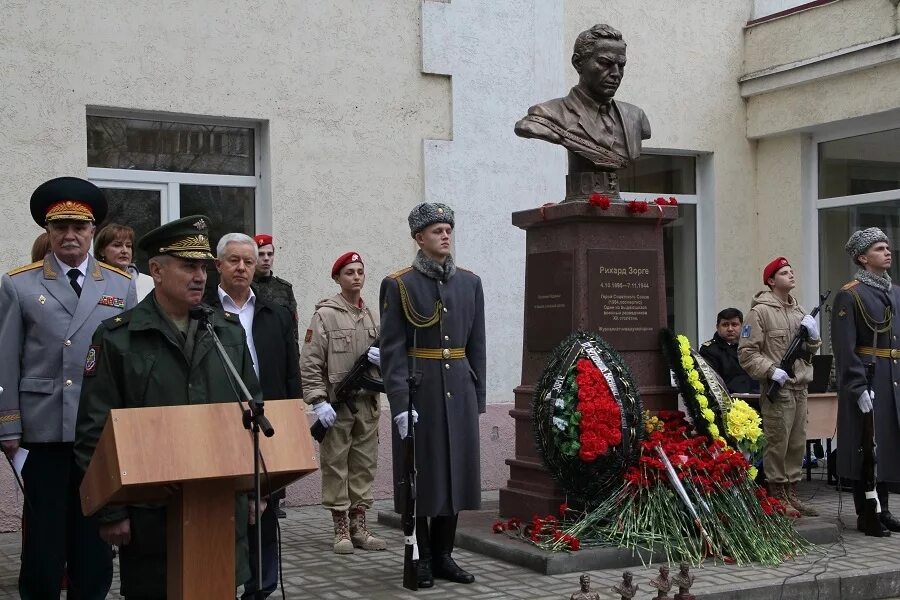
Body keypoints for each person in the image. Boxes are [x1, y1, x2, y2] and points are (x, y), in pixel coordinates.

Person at [73, 215, 259, 599]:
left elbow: (251, 412)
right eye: (188, 266)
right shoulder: (119, 338)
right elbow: (95, 431)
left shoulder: (225, 331)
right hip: (151, 517)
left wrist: (258, 490)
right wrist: (112, 512)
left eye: (204, 267)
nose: (200, 276)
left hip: (220, 509)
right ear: (156, 270)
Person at [0, 176, 137, 598]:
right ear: (48, 231)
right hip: (43, 430)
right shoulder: (18, 284)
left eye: (79, 227)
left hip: (97, 431)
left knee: (93, 543)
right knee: (43, 545)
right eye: (60, 227)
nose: (70, 235)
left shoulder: (119, 284)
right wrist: (8, 425)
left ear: (93, 231)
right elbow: (6, 358)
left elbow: (128, 360)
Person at [379, 203, 486, 587]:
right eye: (437, 230)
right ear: (419, 238)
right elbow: (391, 350)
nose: (445, 235)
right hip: (418, 391)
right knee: (421, 476)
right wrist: (399, 404)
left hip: (459, 387)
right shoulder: (399, 284)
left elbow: (477, 344)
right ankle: (419, 557)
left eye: (448, 229)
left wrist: (479, 396)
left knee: (456, 475)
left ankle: (444, 555)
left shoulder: (470, 282)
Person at [208, 232, 300, 597]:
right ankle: (220, 581)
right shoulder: (204, 314)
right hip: (220, 422)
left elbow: (291, 372)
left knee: (264, 510)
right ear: (218, 266)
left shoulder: (274, 314)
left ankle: (261, 587)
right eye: (234, 260)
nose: (243, 267)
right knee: (226, 510)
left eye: (248, 260)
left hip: (267, 423)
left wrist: (294, 420)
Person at [300, 251, 385, 554]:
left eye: (360, 271)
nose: (356, 276)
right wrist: (318, 401)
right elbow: (310, 363)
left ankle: (359, 526)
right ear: (337, 278)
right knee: (336, 465)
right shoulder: (325, 315)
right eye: (349, 272)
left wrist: (384, 361)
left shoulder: (372, 315)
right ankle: (340, 529)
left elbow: (389, 362)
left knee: (363, 466)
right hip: (337, 406)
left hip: (368, 405)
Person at [738, 257, 821, 518]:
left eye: (792, 271)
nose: (791, 275)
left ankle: (792, 494)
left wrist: (815, 337)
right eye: (784, 272)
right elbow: (747, 353)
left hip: (800, 387)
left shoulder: (799, 312)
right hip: (778, 388)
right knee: (778, 442)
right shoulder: (759, 312)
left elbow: (808, 351)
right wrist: (772, 370)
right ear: (771, 280)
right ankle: (776, 496)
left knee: (797, 443)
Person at [832, 227, 900, 536]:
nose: (887, 252)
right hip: (868, 376)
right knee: (865, 445)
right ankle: (866, 513)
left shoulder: (895, 291)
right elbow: (845, 348)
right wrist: (857, 385)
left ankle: (884, 510)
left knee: (885, 444)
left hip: (892, 378)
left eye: (887, 247)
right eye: (879, 248)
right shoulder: (851, 294)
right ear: (862, 257)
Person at [515, 24, 650, 175]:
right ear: (578, 63)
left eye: (621, 65)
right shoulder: (546, 114)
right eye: (605, 63)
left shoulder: (635, 116)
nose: (616, 73)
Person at [699, 308, 759, 394]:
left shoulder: (750, 347)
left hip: (756, 398)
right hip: (729, 400)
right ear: (717, 327)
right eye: (725, 325)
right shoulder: (709, 350)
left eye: (734, 325)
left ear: (742, 326)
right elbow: (713, 383)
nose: (730, 329)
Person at [253, 233, 299, 343]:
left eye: (270, 254)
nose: (266, 258)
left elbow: (293, 327)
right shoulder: (246, 287)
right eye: (261, 254)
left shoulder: (284, 288)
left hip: (279, 346)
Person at [94, 223, 155, 300]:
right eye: (117, 245)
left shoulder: (148, 282)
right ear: (101, 251)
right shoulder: (91, 281)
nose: (125, 251)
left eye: (128, 246)